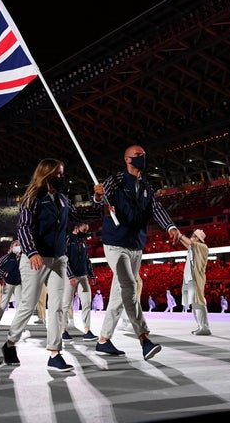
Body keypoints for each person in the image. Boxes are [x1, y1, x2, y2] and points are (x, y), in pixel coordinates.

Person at [1, 157, 102, 371]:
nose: (61, 177)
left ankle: (55, 353)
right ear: (46, 174)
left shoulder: (63, 199)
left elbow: (79, 214)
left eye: (62, 174)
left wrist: (98, 200)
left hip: (59, 259)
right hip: (36, 259)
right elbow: (24, 228)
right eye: (57, 174)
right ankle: (10, 342)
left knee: (56, 307)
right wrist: (31, 252)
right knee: (28, 305)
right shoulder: (32, 198)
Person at [93, 144, 182, 360]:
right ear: (127, 160)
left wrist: (170, 226)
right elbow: (99, 203)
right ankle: (144, 338)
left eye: (144, 155)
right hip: (115, 243)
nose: (142, 158)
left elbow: (156, 208)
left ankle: (103, 340)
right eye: (138, 155)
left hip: (136, 245)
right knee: (130, 287)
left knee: (119, 294)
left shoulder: (146, 186)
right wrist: (98, 197)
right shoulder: (115, 181)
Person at [61, 222, 98, 342]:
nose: (86, 233)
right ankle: (63, 330)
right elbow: (64, 259)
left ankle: (87, 330)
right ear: (76, 228)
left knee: (87, 303)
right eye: (84, 230)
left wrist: (92, 275)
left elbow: (87, 260)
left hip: (83, 276)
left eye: (87, 230)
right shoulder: (67, 240)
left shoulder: (83, 242)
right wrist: (70, 275)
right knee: (66, 304)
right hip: (70, 277)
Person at [178, 228, 211, 335]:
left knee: (199, 302)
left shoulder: (202, 247)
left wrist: (180, 234)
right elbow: (188, 244)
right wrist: (179, 237)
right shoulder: (194, 248)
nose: (191, 237)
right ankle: (200, 326)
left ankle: (204, 327)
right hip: (190, 279)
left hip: (195, 278)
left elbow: (190, 243)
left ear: (197, 238)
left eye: (193, 235)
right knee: (194, 303)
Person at [0, 240, 22, 331]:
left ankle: (18, 324)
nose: (18, 246)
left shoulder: (23, 258)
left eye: (19, 245)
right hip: (8, 283)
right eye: (16, 245)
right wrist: (4, 273)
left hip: (19, 283)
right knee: (4, 304)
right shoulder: (7, 257)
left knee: (21, 305)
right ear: (11, 247)